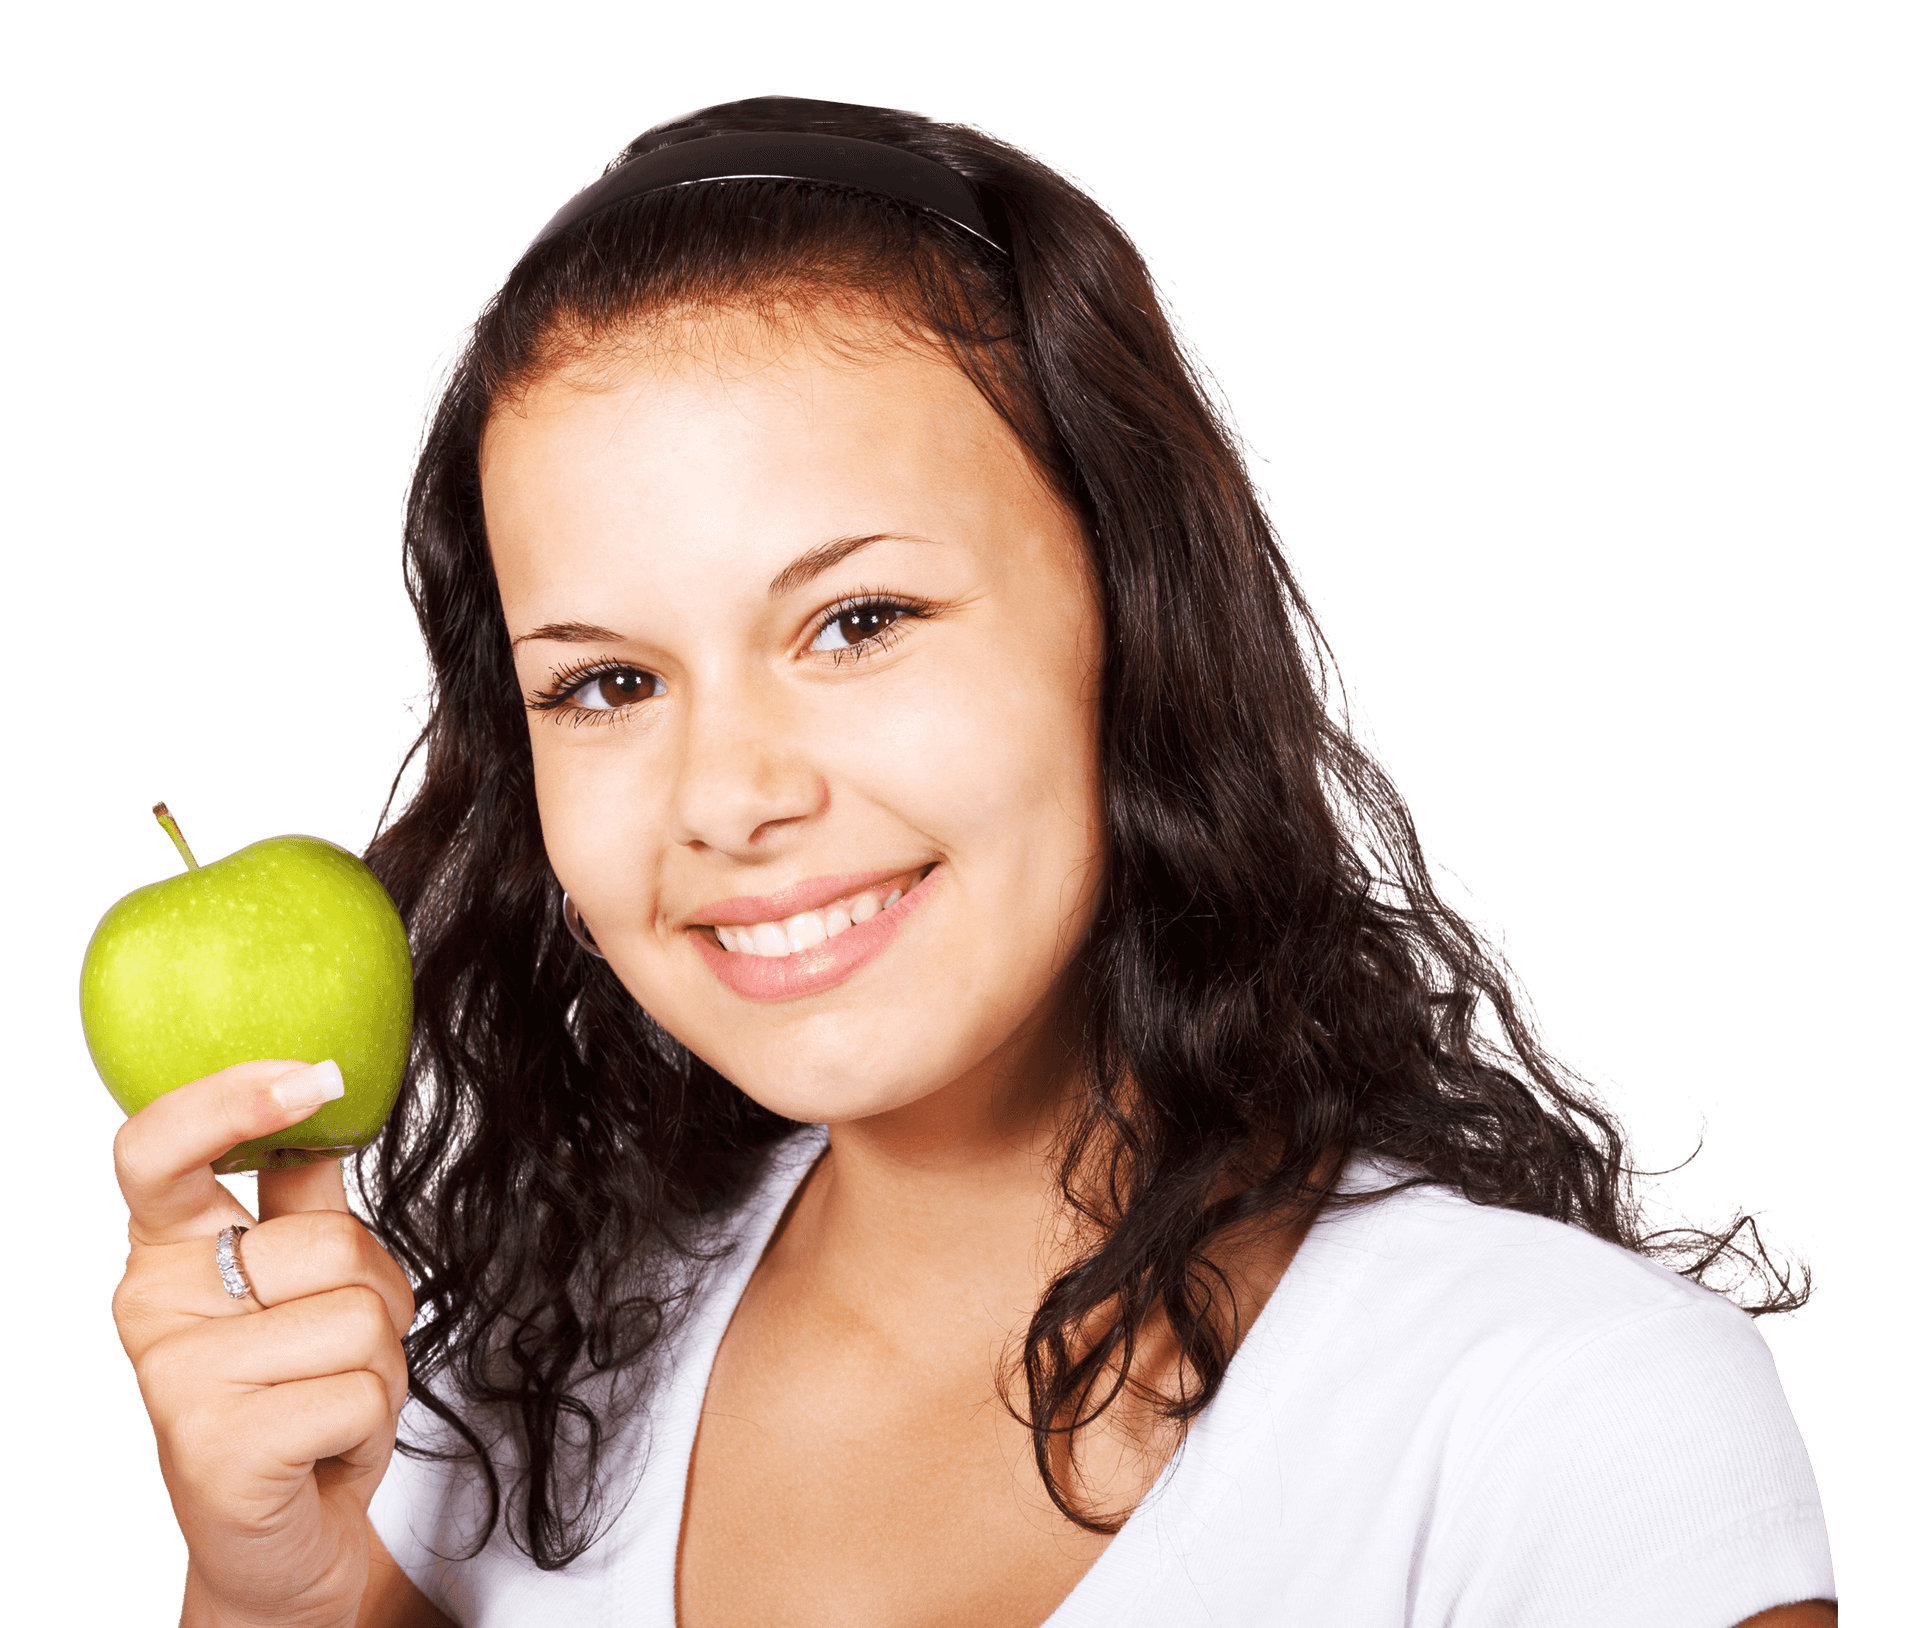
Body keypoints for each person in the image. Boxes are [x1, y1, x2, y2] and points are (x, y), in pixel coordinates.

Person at [108, 96, 1837, 1628]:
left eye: (857, 620)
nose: (730, 794)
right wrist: (270, 1604)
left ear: (1132, 621)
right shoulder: (476, 1412)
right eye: (610, 683)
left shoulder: (1563, 1421)